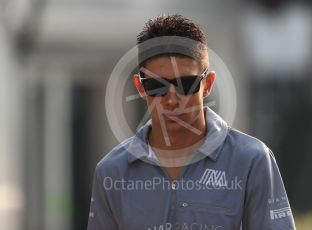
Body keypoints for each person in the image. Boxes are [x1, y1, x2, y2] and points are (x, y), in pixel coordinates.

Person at [87, 14, 296, 230]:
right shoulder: (111, 171)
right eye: (156, 85)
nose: (171, 98)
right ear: (140, 87)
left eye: (185, 84)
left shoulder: (252, 160)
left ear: (208, 84)